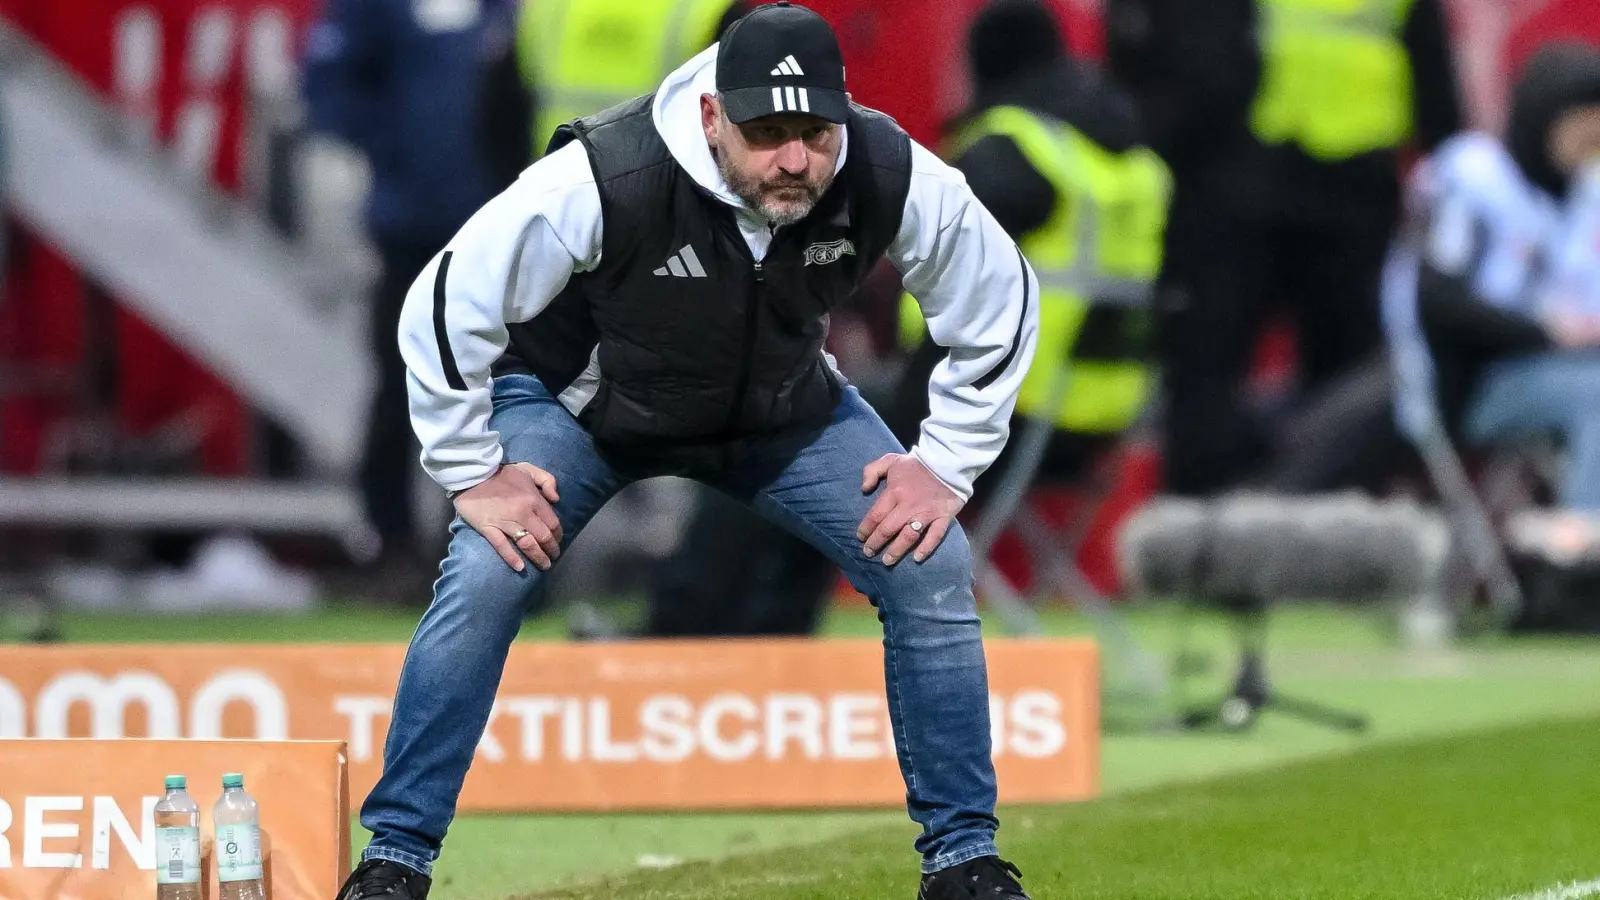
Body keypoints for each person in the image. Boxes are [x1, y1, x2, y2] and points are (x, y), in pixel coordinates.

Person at [333, 4, 1041, 900]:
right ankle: (394, 862)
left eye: (815, 135)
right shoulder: (602, 174)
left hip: (777, 415)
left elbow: (1000, 297)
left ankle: (964, 866)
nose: (794, 160)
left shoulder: (889, 167)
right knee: (484, 574)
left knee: (930, 559)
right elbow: (441, 304)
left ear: (844, 115)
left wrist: (944, 463)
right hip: (583, 412)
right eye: (767, 134)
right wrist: (472, 471)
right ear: (712, 117)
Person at [1104, 0, 1463, 498]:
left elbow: (1434, 78)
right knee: (1210, 373)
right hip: (1247, 176)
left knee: (1344, 385)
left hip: (1342, 189)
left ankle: (1324, 530)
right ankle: (1199, 532)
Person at [889, 0, 1165, 506]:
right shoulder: (1136, 160)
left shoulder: (1009, 151)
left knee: (802, 419)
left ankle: (734, 584)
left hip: (991, 418)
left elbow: (954, 305)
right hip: (1103, 426)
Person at [303, 0, 498, 601]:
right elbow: (328, 83)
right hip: (411, 228)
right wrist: (400, 144)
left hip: (502, 230)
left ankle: (476, 550)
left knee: (496, 390)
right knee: (402, 387)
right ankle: (389, 546)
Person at [1383, 43, 1600, 560]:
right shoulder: (1472, 178)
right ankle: (1577, 557)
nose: (1591, 141)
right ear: (1546, 116)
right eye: (1583, 125)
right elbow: (1436, 299)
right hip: (1465, 379)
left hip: (1558, 371)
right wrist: (1544, 330)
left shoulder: (1587, 194)